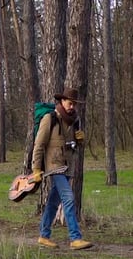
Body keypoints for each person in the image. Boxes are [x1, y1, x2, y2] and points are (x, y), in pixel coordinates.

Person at [30, 87, 93, 250]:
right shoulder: (49, 118)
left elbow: (76, 146)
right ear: (62, 101)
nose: (72, 106)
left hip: (68, 166)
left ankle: (44, 235)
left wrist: (80, 141)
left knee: (53, 202)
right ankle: (75, 238)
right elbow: (39, 145)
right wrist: (36, 168)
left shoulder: (75, 121)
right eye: (70, 103)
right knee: (68, 198)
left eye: (74, 104)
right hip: (54, 166)